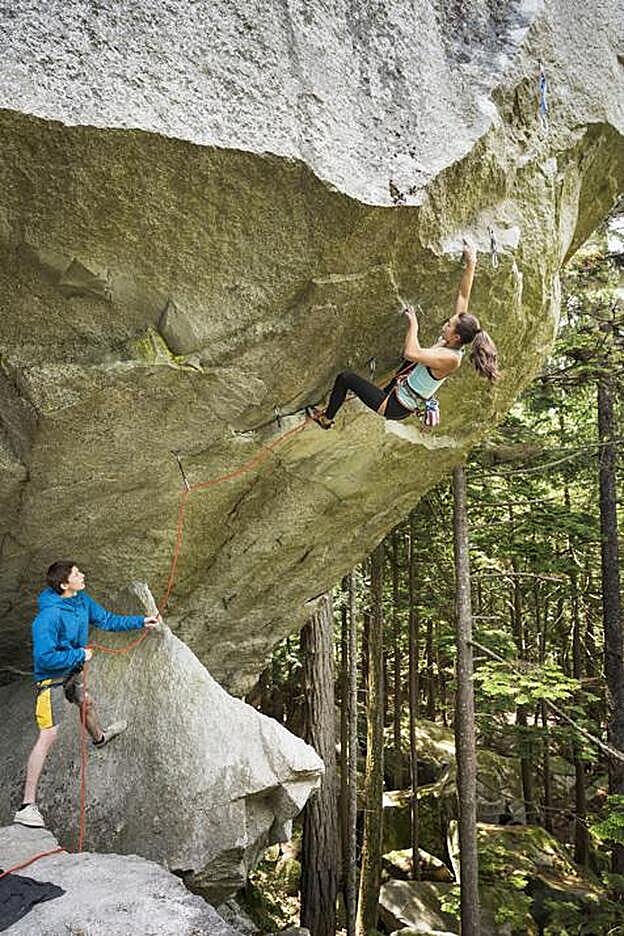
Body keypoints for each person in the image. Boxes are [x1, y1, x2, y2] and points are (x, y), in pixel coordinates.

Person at [14, 561, 160, 829]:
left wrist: (141, 621)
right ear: (63, 584)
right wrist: (79, 654)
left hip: (72, 673)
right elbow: (44, 658)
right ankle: (27, 806)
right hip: (51, 681)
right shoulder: (48, 617)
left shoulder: (82, 601)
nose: (83, 575)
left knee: (86, 702)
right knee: (48, 735)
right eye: (77, 574)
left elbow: (107, 620)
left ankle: (100, 738)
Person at [308, 241, 499, 429]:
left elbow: (410, 352)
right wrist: (471, 262)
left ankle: (327, 419)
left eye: (449, 325)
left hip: (393, 405)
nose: (445, 325)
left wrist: (413, 324)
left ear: (456, 336)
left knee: (345, 378)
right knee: (413, 362)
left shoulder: (451, 359)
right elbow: (463, 296)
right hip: (400, 385)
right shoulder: (456, 341)